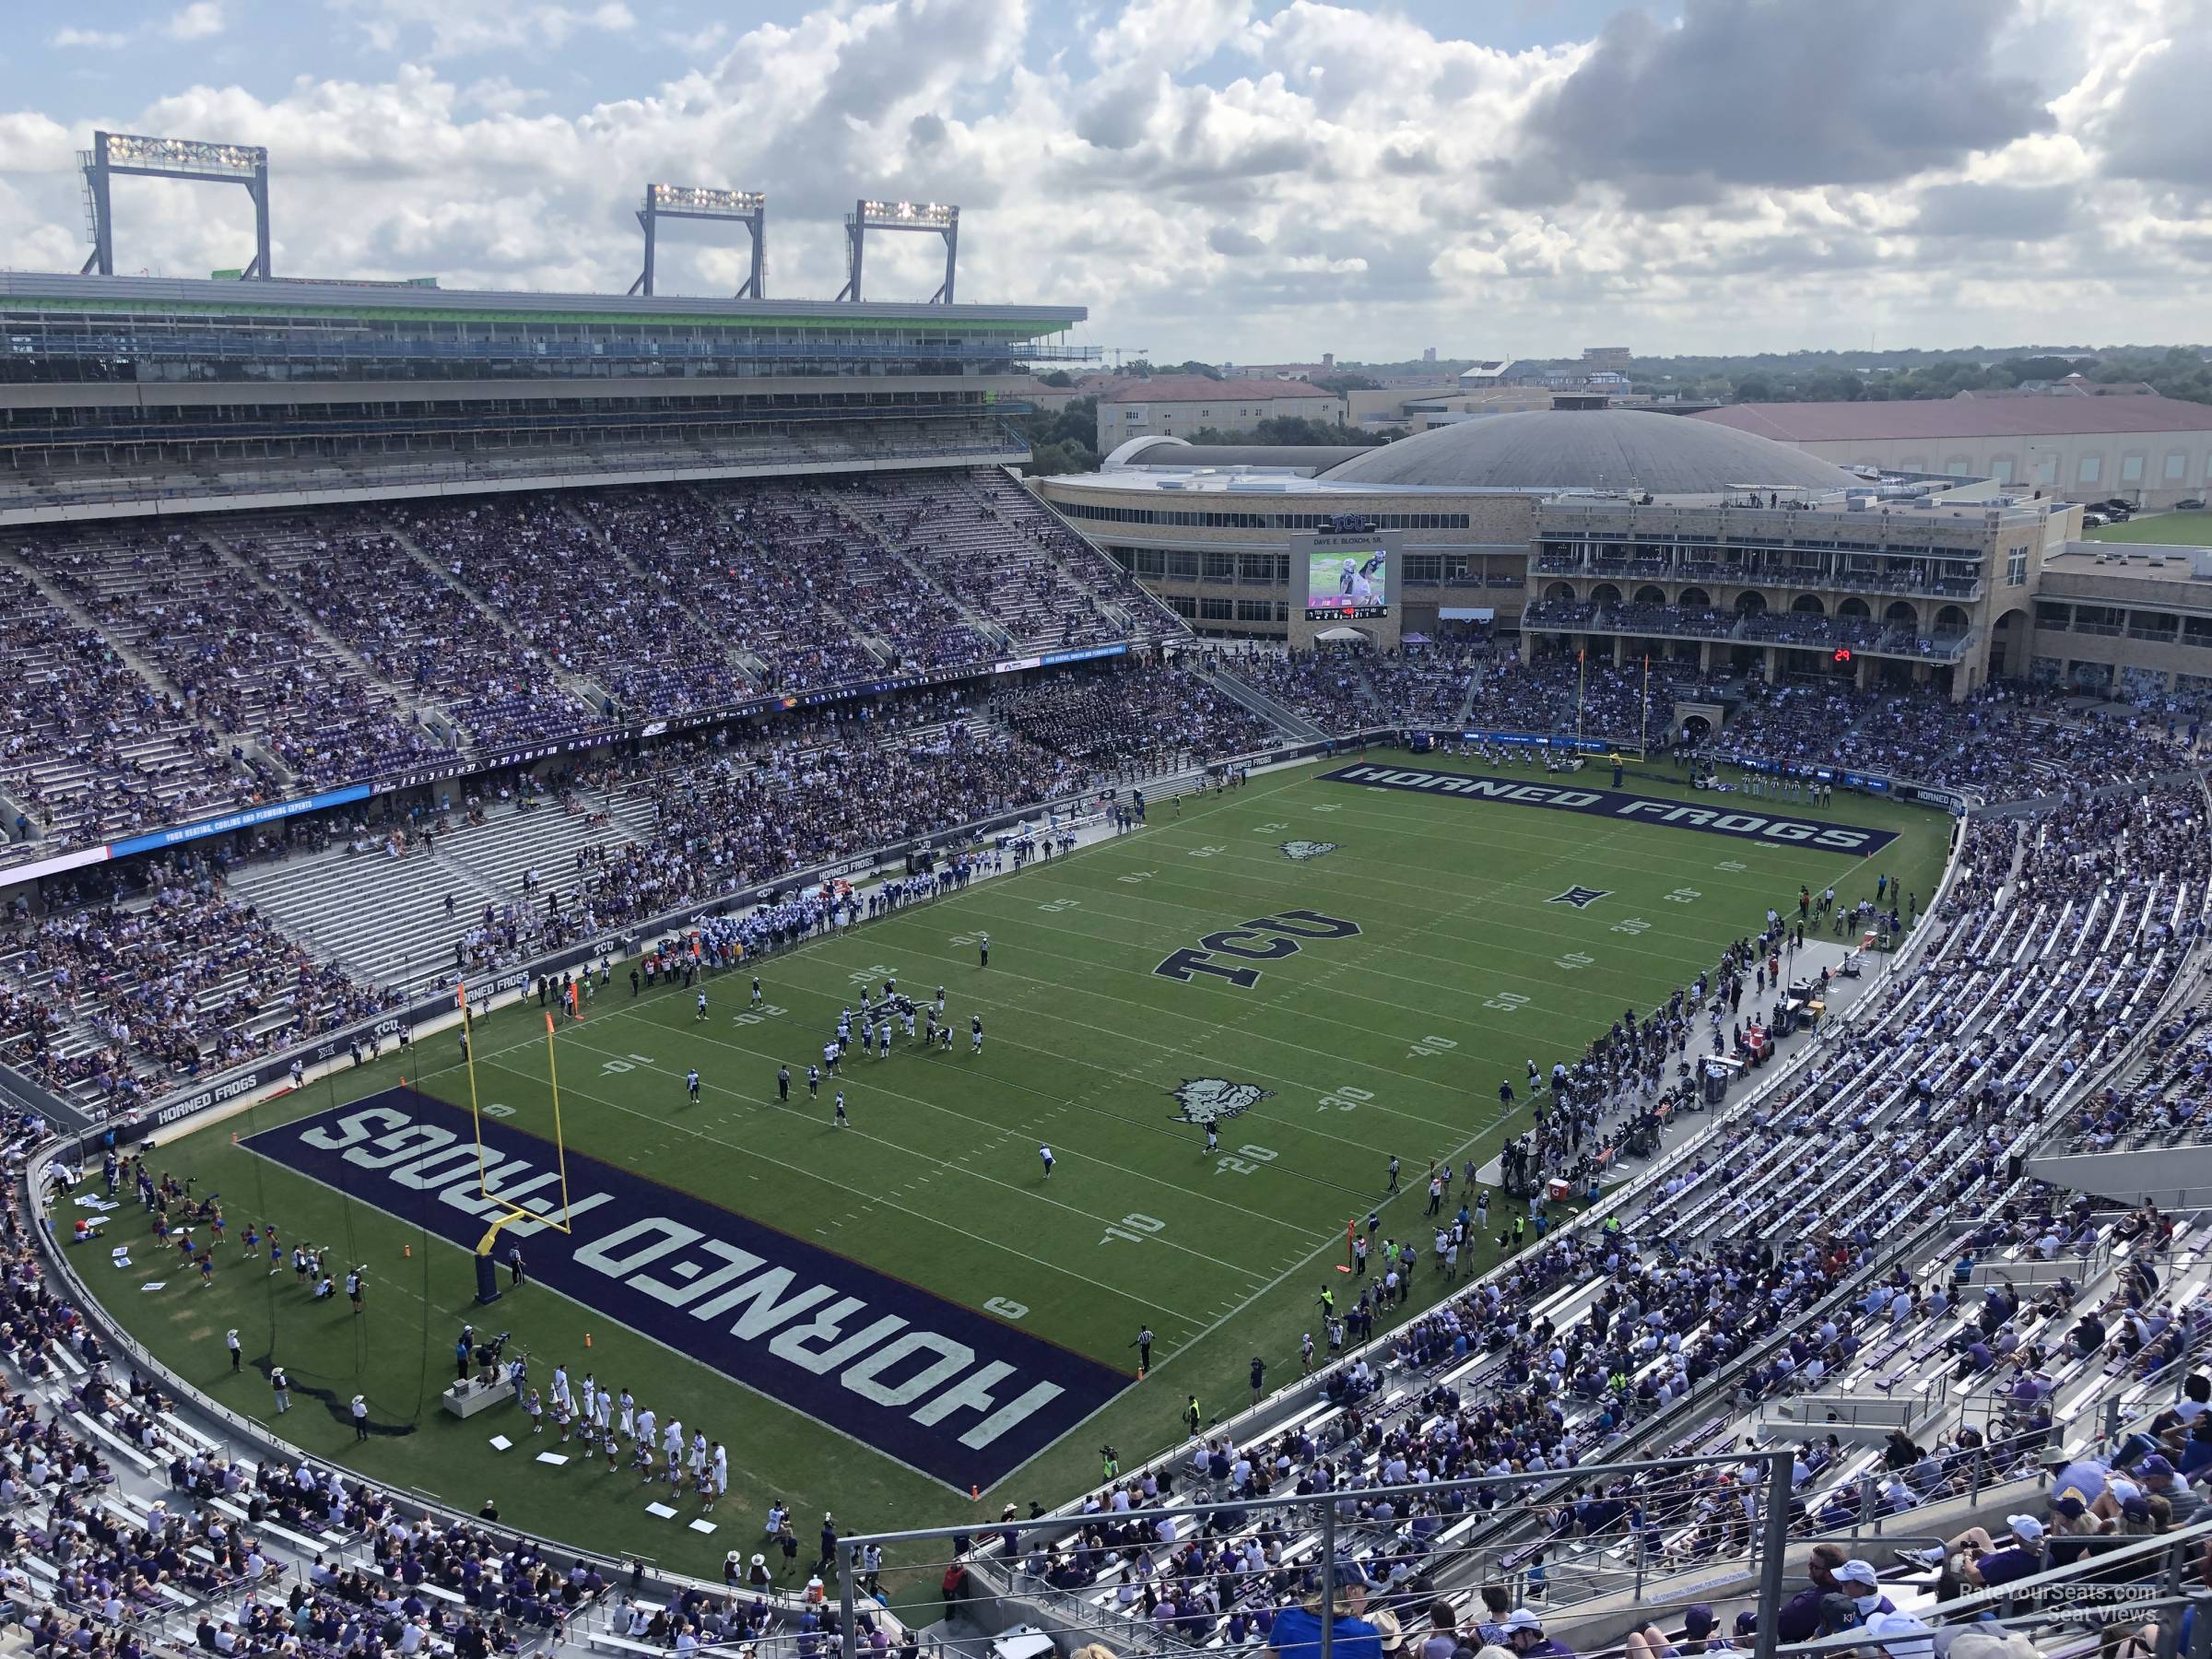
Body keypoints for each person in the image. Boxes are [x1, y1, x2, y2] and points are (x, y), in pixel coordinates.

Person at [1264, 1560, 1383, 1659]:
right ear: (1350, 1592)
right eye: (1364, 1592)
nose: (1366, 1601)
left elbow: (1270, 1657)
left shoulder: (1288, 1616)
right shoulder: (1368, 1635)